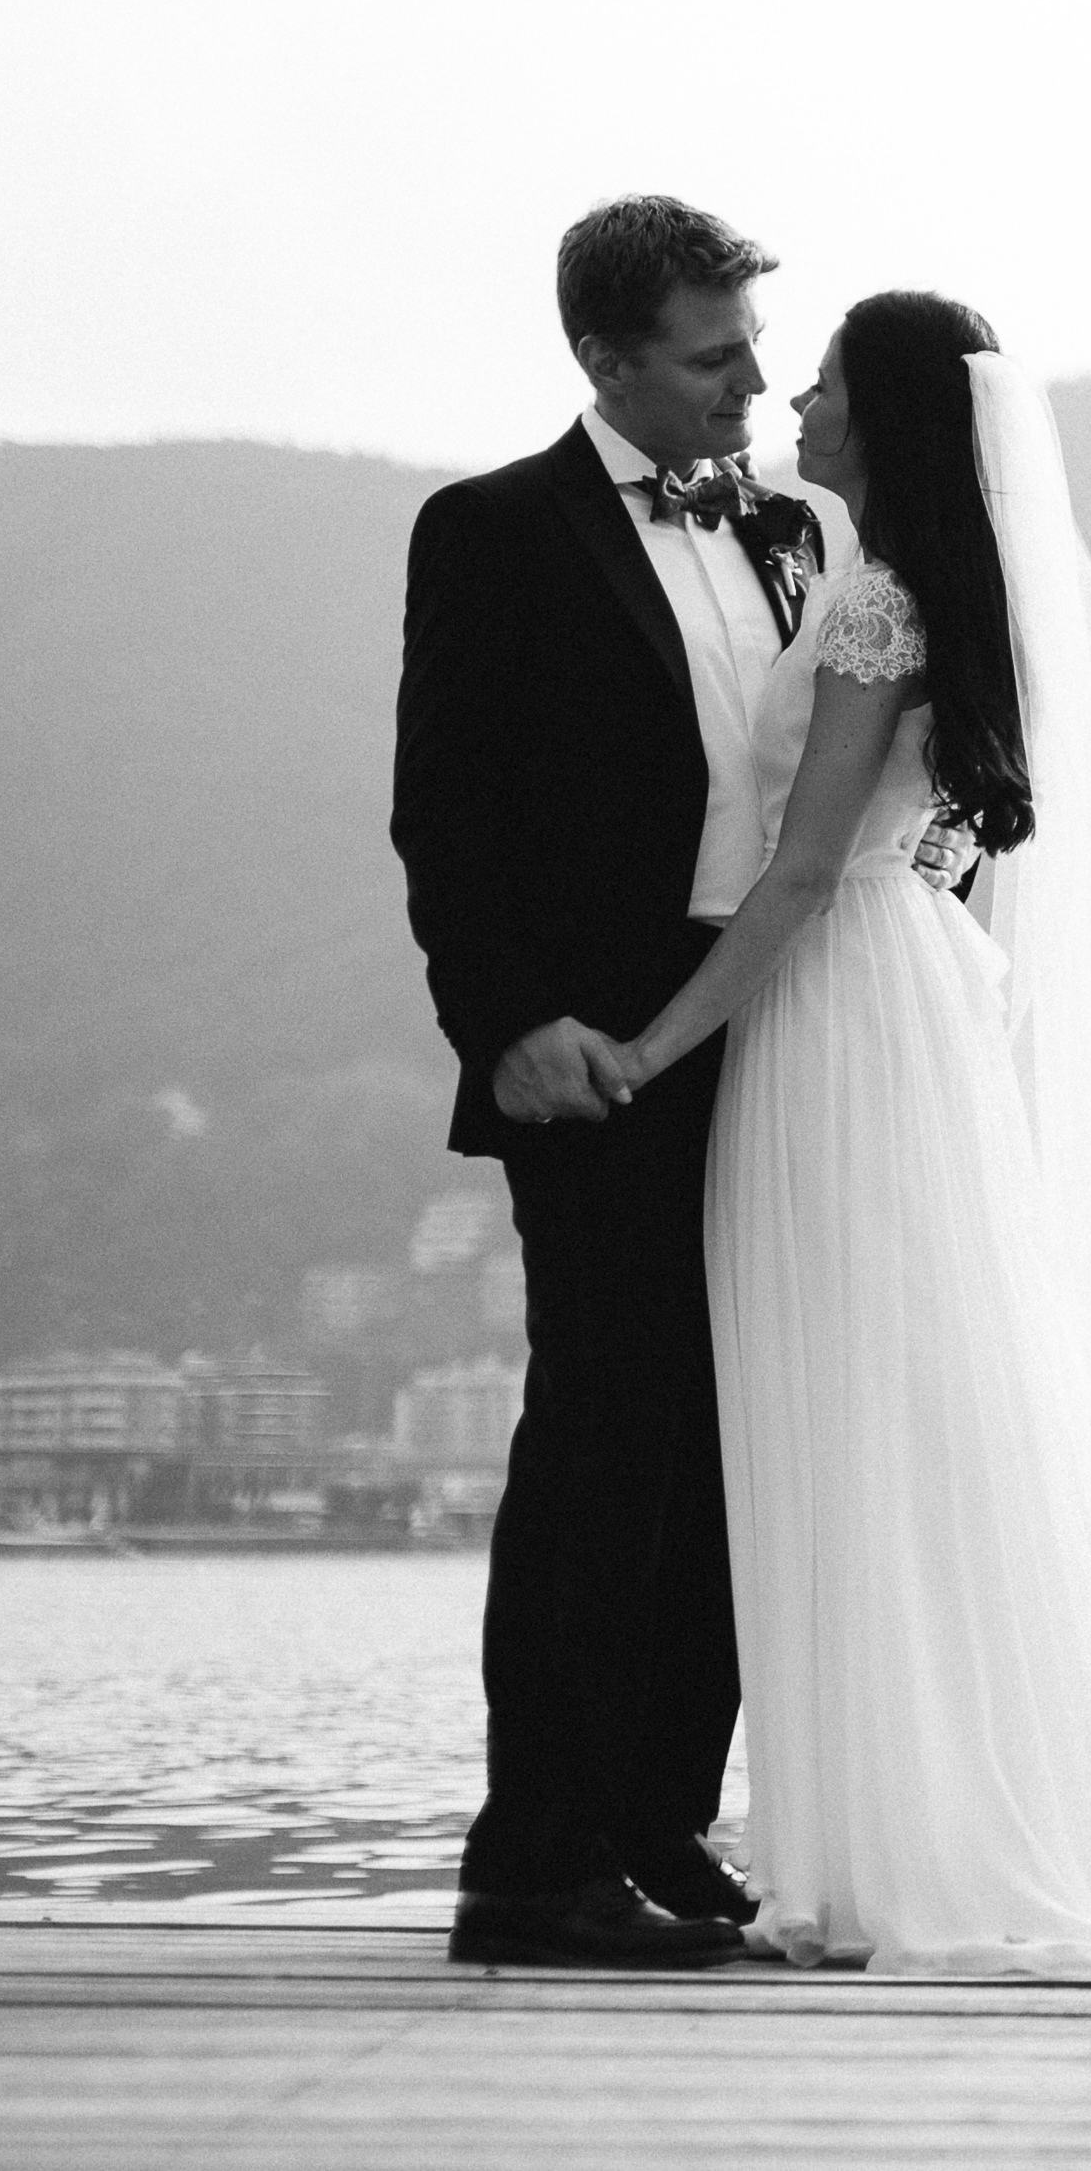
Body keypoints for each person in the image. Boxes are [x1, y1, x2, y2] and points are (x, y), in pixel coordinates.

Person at [600, 287, 1091, 1971]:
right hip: (912, 1003)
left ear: (889, 416)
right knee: (895, 1419)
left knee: (843, 1412)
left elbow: (796, 873)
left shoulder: (880, 610)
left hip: (839, 1004)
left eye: (829, 379)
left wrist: (653, 1044)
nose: (796, 397)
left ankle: (887, 1851)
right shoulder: (935, 599)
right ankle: (893, 1830)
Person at [391, 195, 812, 1967]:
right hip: (596, 1058)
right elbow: (445, 805)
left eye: (753, 348)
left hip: (779, 1030)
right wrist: (508, 1017)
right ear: (603, 357)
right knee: (606, 1432)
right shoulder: (493, 531)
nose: (754, 384)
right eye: (715, 356)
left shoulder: (795, 531)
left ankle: (655, 1813)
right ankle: (533, 1853)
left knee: (739, 1437)